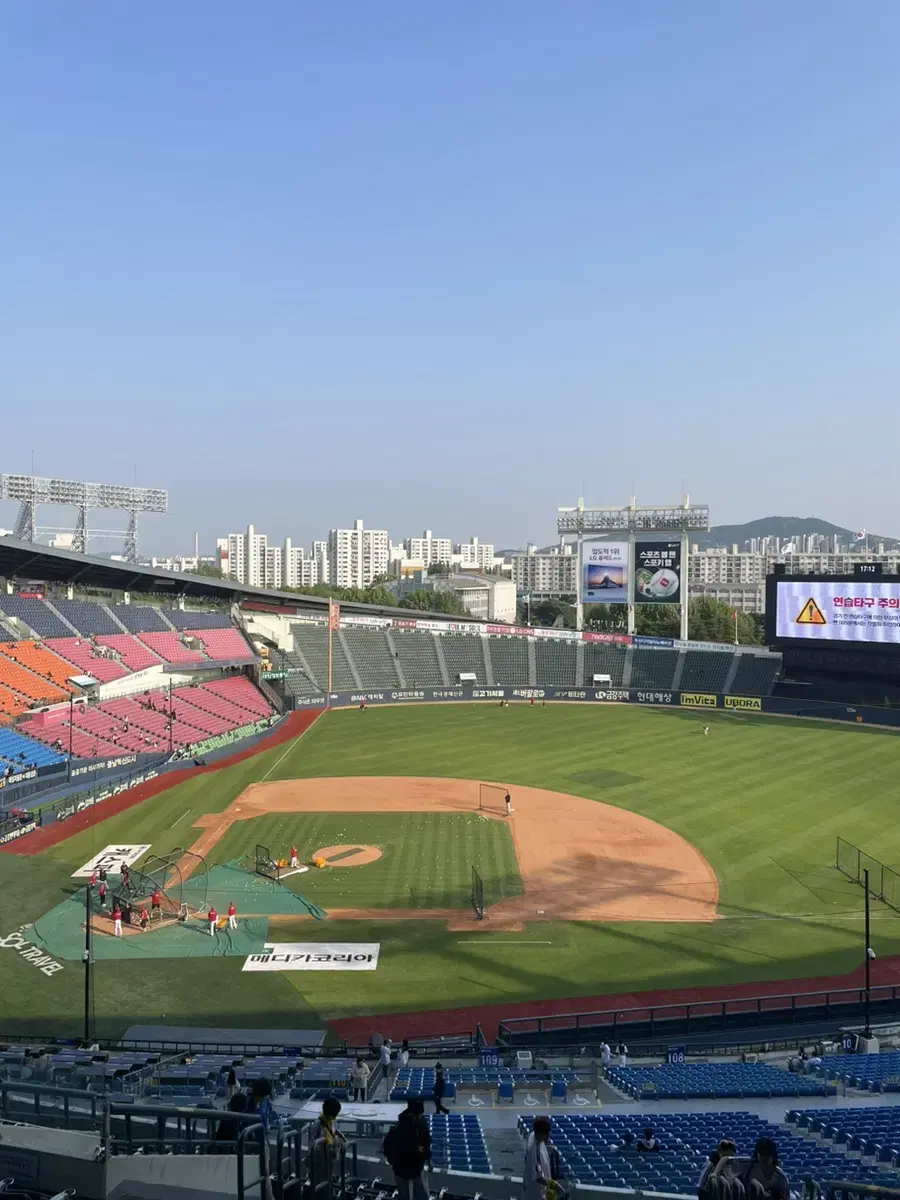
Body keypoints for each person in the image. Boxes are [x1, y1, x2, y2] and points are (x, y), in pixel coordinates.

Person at [383, 1099, 431, 1200]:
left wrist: (425, 1154)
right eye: (417, 1114)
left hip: (415, 1168)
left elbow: (427, 1142)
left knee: (420, 1194)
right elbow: (389, 1145)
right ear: (411, 1114)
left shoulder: (420, 1125)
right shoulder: (400, 1127)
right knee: (406, 1195)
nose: (419, 1116)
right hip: (402, 1168)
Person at [309, 1096, 346, 1181]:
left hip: (328, 1157)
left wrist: (342, 1137)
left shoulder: (331, 1120)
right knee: (320, 1178)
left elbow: (334, 1130)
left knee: (327, 1175)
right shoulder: (318, 1125)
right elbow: (314, 1144)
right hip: (319, 1158)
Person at [523, 1116, 552, 1200]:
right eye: (546, 1134)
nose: (548, 1137)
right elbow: (537, 1177)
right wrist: (551, 1185)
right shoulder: (533, 1150)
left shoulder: (533, 1135)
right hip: (536, 1192)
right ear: (540, 1134)